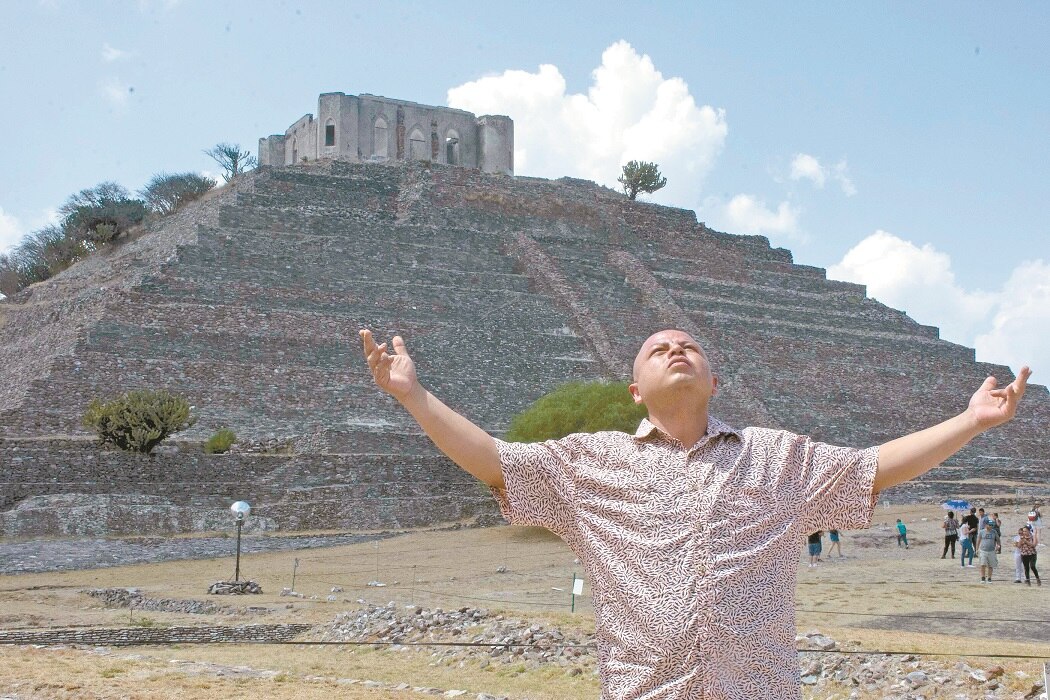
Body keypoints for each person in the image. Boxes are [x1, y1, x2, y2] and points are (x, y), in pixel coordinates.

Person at [359, 328, 1031, 700]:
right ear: (635, 389)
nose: (676, 350)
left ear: (712, 382)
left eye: (690, 348)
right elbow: (495, 462)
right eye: (659, 349)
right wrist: (415, 397)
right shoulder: (588, 465)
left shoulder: (777, 458)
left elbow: (873, 467)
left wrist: (969, 423)